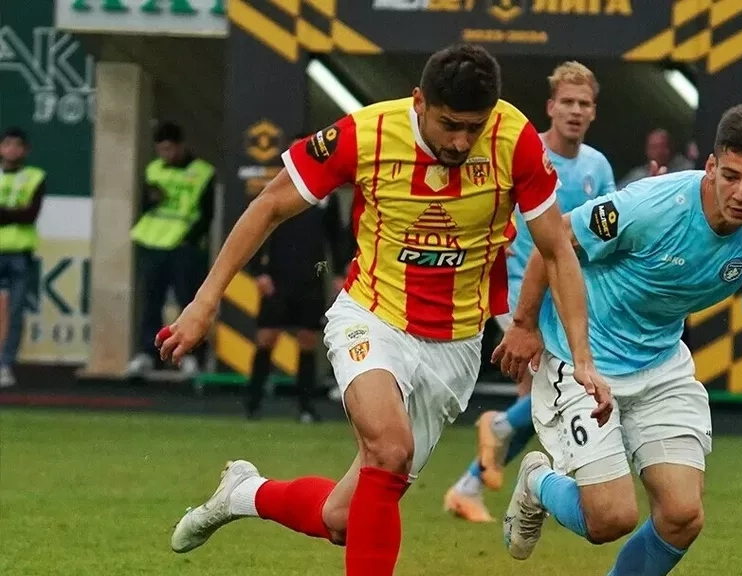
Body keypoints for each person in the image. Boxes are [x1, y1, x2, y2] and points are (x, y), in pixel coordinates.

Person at [162, 44, 611, 575]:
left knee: (342, 520)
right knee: (391, 448)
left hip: (455, 345)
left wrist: (571, 351)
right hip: (372, 317)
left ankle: (244, 493)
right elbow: (270, 204)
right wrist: (205, 301)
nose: (461, 141)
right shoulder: (366, 133)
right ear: (420, 102)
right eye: (450, 125)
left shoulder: (513, 139)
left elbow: (556, 249)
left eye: (474, 127)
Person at [496, 104, 742, 575]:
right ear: (712, 167)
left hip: (660, 364)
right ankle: (538, 480)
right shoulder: (652, 205)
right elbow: (555, 239)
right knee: (610, 518)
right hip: (582, 359)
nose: (741, 193)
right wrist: (524, 324)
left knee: (682, 516)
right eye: (731, 176)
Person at [443, 61, 627, 523]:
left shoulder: (597, 166)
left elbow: (606, 229)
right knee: (552, 392)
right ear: (550, 107)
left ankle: (468, 485)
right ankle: (497, 431)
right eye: (567, 102)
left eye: (584, 103)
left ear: (594, 111)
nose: (575, 110)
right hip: (519, 292)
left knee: (541, 398)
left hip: (565, 293)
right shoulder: (526, 152)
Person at [244, 135, 353, 422]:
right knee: (267, 338)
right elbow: (255, 230)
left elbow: (336, 237)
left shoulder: (325, 194)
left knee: (307, 340)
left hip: (311, 277)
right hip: (277, 277)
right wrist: (258, 272)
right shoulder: (274, 189)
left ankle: (305, 407)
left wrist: (339, 273)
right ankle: (253, 404)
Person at [126, 122, 217, 378]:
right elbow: (144, 205)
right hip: (153, 243)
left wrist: (190, 239)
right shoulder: (153, 169)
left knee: (188, 303)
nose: (165, 155)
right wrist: (151, 199)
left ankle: (192, 356)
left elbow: (207, 213)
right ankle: (148, 353)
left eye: (169, 149)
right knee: (150, 302)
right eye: (161, 150)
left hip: (184, 248)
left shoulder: (202, 172)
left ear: (180, 146)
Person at [0, 128, 47, 388]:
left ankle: (5, 364)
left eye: (17, 145)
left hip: (20, 253)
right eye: (7, 144)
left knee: (15, 312)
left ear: (26, 150)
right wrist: (15, 212)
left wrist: (6, 214)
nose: (12, 150)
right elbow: (21, 212)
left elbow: (30, 214)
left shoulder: (34, 177)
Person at [617, 129, 695, 188]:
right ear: (647, 150)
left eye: (662, 146)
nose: (658, 152)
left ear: (670, 148)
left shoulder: (686, 170)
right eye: (653, 147)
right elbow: (616, 197)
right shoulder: (637, 175)